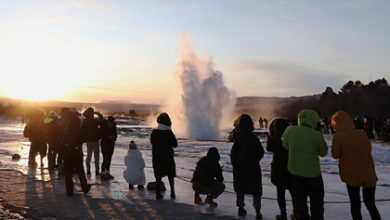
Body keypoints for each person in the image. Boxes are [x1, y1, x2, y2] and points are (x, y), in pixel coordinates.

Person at [331, 111, 381, 220]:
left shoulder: (338, 136)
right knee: (370, 204)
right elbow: (369, 149)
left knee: (355, 204)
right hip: (368, 172)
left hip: (351, 174)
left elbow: (335, 155)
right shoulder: (361, 133)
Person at [282, 109, 328, 220]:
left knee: (300, 205)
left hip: (295, 174)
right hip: (314, 175)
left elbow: (285, 145)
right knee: (317, 205)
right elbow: (323, 152)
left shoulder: (290, 130)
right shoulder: (317, 135)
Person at [230, 114, 264, 219]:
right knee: (256, 189)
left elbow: (233, 154)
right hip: (253, 167)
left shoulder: (238, 138)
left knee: (240, 188)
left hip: (240, 168)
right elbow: (261, 152)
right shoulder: (254, 138)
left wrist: (235, 166)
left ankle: (240, 208)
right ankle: (257, 210)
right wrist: (254, 160)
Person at [267, 117, 296, 220]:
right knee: (294, 193)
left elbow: (269, 148)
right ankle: (296, 213)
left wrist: (270, 135)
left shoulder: (274, 139)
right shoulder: (291, 137)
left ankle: (283, 214)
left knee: (280, 193)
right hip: (291, 167)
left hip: (278, 169)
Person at [61, 108, 91, 197]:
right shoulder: (78, 124)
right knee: (80, 170)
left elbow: (64, 136)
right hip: (76, 150)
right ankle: (85, 188)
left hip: (68, 150)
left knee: (68, 172)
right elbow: (83, 137)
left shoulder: (66, 123)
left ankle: (69, 191)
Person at [150, 112, 178, 200]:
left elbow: (152, 143)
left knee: (158, 176)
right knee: (170, 176)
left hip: (157, 158)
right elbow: (175, 144)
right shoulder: (169, 133)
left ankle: (158, 193)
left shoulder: (154, 133)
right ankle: (172, 192)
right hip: (168, 158)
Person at [82, 107, 101, 176]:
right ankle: (97, 171)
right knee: (96, 156)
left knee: (89, 156)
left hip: (88, 140)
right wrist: (99, 114)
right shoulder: (95, 121)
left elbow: (83, 130)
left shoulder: (85, 121)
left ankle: (88, 170)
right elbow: (102, 121)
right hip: (95, 140)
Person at [100, 116, 117, 180]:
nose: (111, 123)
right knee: (105, 159)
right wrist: (107, 137)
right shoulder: (103, 126)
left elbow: (115, 135)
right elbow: (101, 135)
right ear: (108, 121)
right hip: (104, 144)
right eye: (110, 122)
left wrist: (113, 137)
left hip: (111, 144)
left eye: (112, 122)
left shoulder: (113, 127)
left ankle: (107, 173)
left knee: (109, 159)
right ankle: (102, 174)